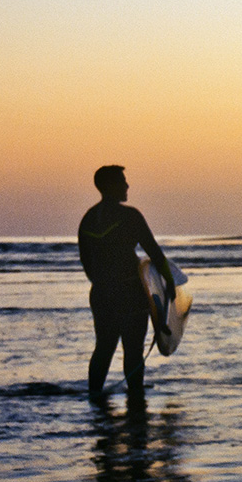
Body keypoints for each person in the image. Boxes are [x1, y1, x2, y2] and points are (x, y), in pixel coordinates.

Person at [79, 165, 174, 402]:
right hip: (130, 292)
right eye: (123, 181)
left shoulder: (88, 219)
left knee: (104, 348)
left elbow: (87, 265)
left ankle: (95, 399)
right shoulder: (130, 216)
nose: (127, 186)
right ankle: (136, 401)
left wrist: (105, 285)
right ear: (110, 186)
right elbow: (155, 253)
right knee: (133, 350)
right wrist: (169, 283)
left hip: (101, 294)